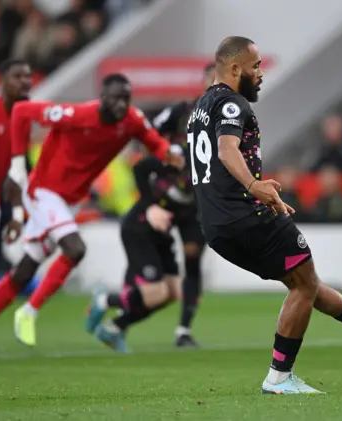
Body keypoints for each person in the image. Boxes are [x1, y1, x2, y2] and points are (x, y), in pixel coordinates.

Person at [186, 36, 342, 394]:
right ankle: (280, 377)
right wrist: (253, 188)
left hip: (216, 227)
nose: (260, 74)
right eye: (255, 67)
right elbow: (226, 151)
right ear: (235, 68)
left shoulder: (199, 109)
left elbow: (216, 165)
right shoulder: (231, 104)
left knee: (304, 284)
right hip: (245, 216)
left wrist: (251, 183)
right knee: (304, 283)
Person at [0, 74, 184, 347]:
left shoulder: (131, 120)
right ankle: (28, 311)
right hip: (44, 192)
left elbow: (153, 141)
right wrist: (16, 165)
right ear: (102, 98)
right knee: (76, 249)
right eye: (115, 99)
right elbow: (23, 111)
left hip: (69, 201)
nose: (121, 105)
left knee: (23, 272)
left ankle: (25, 310)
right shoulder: (77, 114)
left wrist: (170, 154)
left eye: (126, 99)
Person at [85, 150, 199, 351]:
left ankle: (114, 328)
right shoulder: (183, 158)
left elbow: (190, 214)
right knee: (155, 293)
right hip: (139, 229)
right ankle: (104, 299)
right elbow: (140, 168)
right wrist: (150, 206)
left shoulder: (206, 180)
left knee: (173, 292)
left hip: (162, 236)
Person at [144, 62, 215, 347]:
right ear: (203, 81)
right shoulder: (181, 111)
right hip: (163, 197)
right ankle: (122, 310)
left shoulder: (229, 117)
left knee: (193, 257)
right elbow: (147, 132)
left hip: (196, 201)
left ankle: (183, 329)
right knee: (151, 263)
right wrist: (167, 153)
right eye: (212, 78)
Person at [0, 59, 32, 274]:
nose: (25, 81)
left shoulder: (24, 115)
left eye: (28, 76)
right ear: (2, 80)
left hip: (3, 195)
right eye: (18, 76)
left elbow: (20, 161)